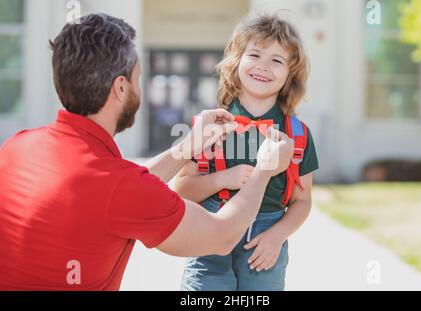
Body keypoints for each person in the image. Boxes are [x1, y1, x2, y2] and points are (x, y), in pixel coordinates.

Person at [0, 13, 294, 291]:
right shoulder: (119, 186)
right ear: (121, 88)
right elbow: (222, 237)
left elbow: (109, 192)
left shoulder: (17, 146)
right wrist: (265, 170)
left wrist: (187, 147)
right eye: (138, 78)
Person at [174, 14, 319, 291]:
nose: (263, 67)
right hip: (208, 239)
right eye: (255, 55)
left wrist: (277, 236)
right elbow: (181, 189)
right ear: (236, 61)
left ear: (291, 74)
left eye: (277, 60)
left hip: (263, 245)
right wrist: (222, 179)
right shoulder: (209, 124)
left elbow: (303, 201)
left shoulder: (297, 134)